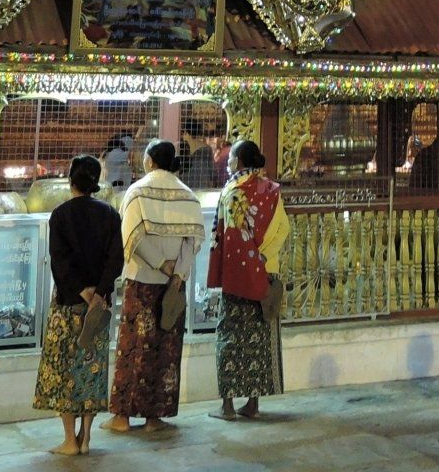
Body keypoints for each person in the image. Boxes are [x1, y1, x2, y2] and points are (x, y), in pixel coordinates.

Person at [106, 139, 205, 434]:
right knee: (166, 349)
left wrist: (160, 264)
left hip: (143, 282)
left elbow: (132, 237)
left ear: (149, 160)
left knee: (134, 348)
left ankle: (122, 417)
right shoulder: (187, 196)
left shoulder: (137, 193)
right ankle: (154, 417)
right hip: (174, 286)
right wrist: (177, 273)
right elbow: (193, 240)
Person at [36, 154, 123, 456]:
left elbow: (60, 262)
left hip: (68, 305)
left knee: (64, 372)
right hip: (98, 309)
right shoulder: (111, 215)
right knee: (92, 369)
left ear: (71, 180)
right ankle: (86, 438)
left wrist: (82, 292)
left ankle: (69, 440)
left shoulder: (60, 215)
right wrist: (99, 293)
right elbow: (116, 260)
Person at [208, 139, 289, 422]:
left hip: (238, 274)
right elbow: (283, 229)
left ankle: (228, 405)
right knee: (259, 338)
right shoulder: (272, 191)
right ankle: (253, 402)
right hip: (267, 272)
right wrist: (264, 258)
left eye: (231, 156)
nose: (229, 161)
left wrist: (251, 260)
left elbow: (230, 237)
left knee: (230, 336)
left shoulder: (232, 191)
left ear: (240, 161)